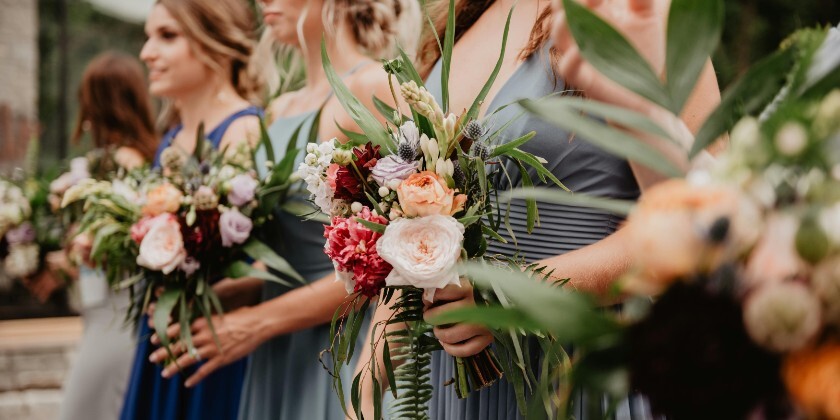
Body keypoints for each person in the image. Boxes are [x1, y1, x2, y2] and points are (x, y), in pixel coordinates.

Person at [361, 0, 721, 418]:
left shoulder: (642, 12)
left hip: (574, 371)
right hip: (453, 388)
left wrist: (506, 294)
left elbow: (703, 222)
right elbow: (415, 234)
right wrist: (368, 389)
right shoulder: (466, 18)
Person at [146, 0, 420, 418]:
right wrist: (236, 290)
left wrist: (257, 321)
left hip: (341, 346)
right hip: (275, 351)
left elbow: (396, 260)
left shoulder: (372, 86)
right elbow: (292, 245)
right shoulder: (278, 109)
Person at [119, 1, 263, 419]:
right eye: (149, 37)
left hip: (212, 345)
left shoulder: (244, 131)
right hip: (161, 334)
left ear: (214, 43)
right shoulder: (172, 138)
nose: (147, 52)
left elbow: (260, 261)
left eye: (167, 36)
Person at [50, 51, 157, 420]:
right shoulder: (121, 157)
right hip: (105, 308)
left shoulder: (126, 161)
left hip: (118, 309)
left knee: (84, 410)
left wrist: (71, 253)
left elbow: (119, 241)